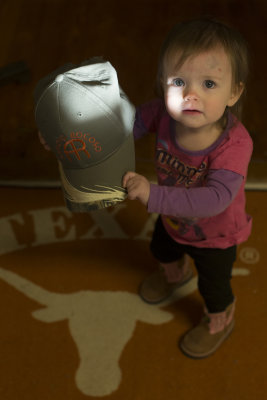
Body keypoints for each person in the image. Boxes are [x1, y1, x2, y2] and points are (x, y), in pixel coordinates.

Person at [122, 17, 253, 358]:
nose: (191, 95)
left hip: (215, 236)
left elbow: (215, 199)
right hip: (172, 220)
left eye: (209, 83)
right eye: (179, 81)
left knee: (214, 287)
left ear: (234, 92)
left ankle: (220, 319)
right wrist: (79, 139)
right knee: (162, 250)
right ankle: (175, 273)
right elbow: (128, 124)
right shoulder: (162, 116)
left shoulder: (235, 145)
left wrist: (153, 195)